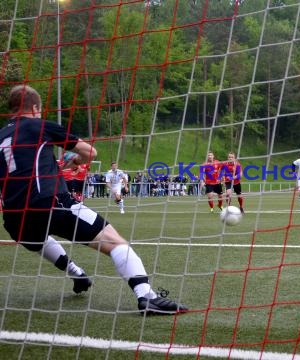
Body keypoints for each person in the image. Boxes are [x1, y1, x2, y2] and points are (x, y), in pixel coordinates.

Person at [0, 85, 186, 314]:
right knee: (115, 242)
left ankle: (77, 274)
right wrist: (76, 158)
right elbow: (91, 153)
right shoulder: (39, 126)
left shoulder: (1, 137)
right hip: (50, 203)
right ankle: (146, 296)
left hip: (13, 218)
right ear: (36, 107)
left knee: (39, 239)